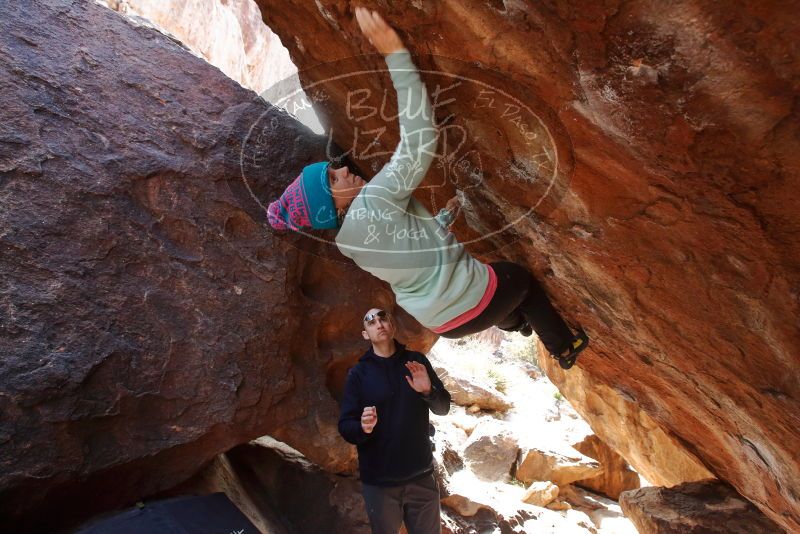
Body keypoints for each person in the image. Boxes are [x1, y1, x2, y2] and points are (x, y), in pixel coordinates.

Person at [267, 8, 588, 369]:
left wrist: (442, 221)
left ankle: (515, 322)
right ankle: (564, 347)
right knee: (521, 281)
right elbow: (420, 140)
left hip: (443, 323)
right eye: (331, 179)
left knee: (502, 295)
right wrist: (395, 54)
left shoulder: (348, 245)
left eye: (332, 169)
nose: (341, 170)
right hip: (475, 299)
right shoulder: (374, 198)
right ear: (331, 207)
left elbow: (412, 254)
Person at [339, 307, 451, 534]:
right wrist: (362, 427)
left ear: (393, 326)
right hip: (380, 483)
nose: (378, 323)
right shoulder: (359, 374)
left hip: (421, 477)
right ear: (365, 334)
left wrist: (428, 391)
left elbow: (443, 408)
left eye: (383, 318)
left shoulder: (416, 362)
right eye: (370, 322)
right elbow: (345, 426)